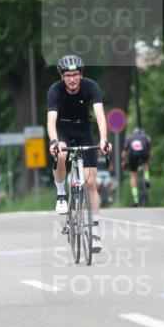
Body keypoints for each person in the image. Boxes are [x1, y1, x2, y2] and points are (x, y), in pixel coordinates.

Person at [47, 54, 111, 253]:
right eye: (68, 75)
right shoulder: (54, 91)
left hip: (84, 129)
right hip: (62, 129)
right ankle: (61, 195)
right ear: (62, 77)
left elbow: (100, 116)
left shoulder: (91, 87)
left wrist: (103, 139)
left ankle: (95, 233)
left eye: (75, 75)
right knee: (62, 155)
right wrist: (54, 142)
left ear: (81, 75)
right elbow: (51, 121)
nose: (72, 79)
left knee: (90, 183)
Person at [121, 127, 152, 206]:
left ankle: (135, 199)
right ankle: (147, 179)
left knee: (133, 175)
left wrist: (124, 162)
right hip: (144, 154)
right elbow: (150, 150)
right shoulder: (145, 136)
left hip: (133, 156)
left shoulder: (129, 137)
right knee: (145, 163)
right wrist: (149, 159)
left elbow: (124, 152)